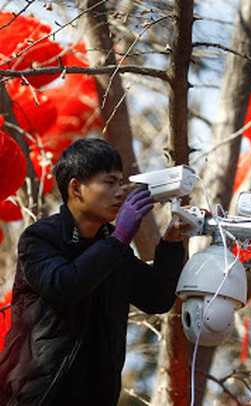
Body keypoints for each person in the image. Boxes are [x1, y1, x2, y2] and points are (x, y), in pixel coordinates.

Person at [0, 138, 189, 405]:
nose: (120, 192)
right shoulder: (41, 238)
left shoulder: (114, 246)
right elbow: (64, 286)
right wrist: (120, 237)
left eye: (121, 183)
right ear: (76, 188)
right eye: (109, 182)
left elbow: (157, 298)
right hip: (39, 397)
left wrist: (170, 243)